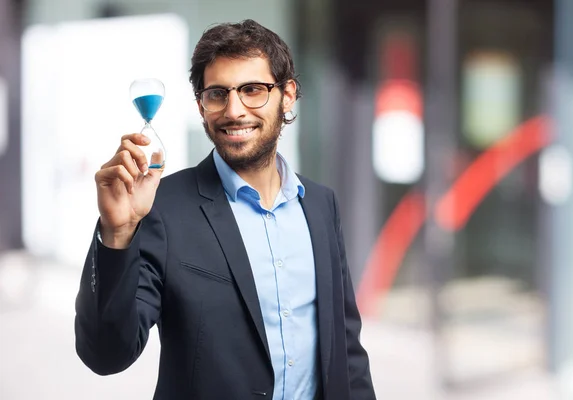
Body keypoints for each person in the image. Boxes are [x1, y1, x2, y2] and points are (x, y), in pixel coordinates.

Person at [74, 19, 376, 400]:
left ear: (288, 95)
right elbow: (106, 355)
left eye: (253, 90)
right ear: (201, 105)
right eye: (218, 94)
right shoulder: (162, 207)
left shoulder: (320, 205)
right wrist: (116, 233)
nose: (234, 110)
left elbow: (347, 353)